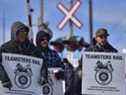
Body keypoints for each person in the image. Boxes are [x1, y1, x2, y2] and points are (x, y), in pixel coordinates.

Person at [0, 21, 47, 89]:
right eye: (20, 31)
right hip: (10, 89)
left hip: (29, 88)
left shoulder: (32, 48)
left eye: (25, 32)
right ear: (14, 33)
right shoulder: (5, 48)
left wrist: (43, 75)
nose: (23, 34)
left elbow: (43, 62)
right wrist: (4, 78)